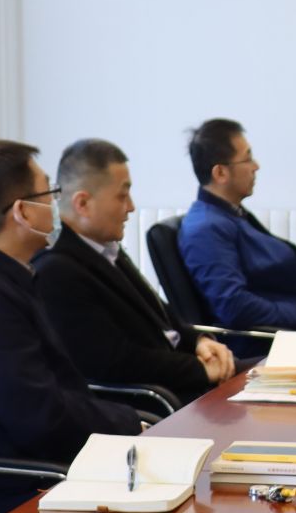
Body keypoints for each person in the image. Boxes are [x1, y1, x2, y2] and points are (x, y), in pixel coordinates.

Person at [0, 141, 143, 513]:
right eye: (49, 194)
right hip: (29, 489)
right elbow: (43, 420)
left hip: (57, 467)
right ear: (22, 211)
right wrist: (131, 423)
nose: (56, 204)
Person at [33, 139, 236, 405]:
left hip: (185, 381)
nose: (131, 207)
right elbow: (115, 361)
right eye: (122, 196)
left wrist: (199, 342)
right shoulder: (57, 272)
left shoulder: (104, 248)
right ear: (83, 203)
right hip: (162, 401)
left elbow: (160, 316)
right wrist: (199, 369)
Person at [177, 120, 296, 332]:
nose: (256, 166)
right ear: (220, 173)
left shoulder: (230, 214)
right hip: (267, 342)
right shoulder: (206, 229)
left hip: (290, 327)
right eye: (248, 158)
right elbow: (234, 307)